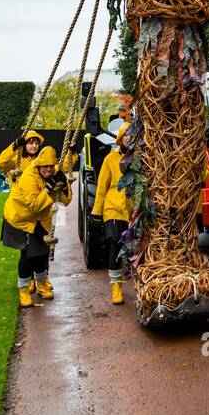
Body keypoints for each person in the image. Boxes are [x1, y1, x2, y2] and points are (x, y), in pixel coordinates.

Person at [0, 145, 72, 306]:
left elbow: (66, 201)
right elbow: (34, 206)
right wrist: (49, 188)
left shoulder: (53, 175)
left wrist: (65, 186)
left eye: (50, 166)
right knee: (27, 254)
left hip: (39, 220)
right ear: (38, 165)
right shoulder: (28, 177)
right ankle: (24, 288)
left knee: (42, 251)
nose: (48, 169)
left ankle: (41, 283)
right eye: (44, 166)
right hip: (20, 219)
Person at [92, 123, 133, 304]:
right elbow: (102, 187)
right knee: (115, 245)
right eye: (126, 135)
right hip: (113, 208)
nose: (129, 138)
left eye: (132, 135)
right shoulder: (111, 159)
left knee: (136, 248)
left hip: (134, 209)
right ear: (120, 138)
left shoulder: (140, 157)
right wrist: (96, 212)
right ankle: (116, 286)